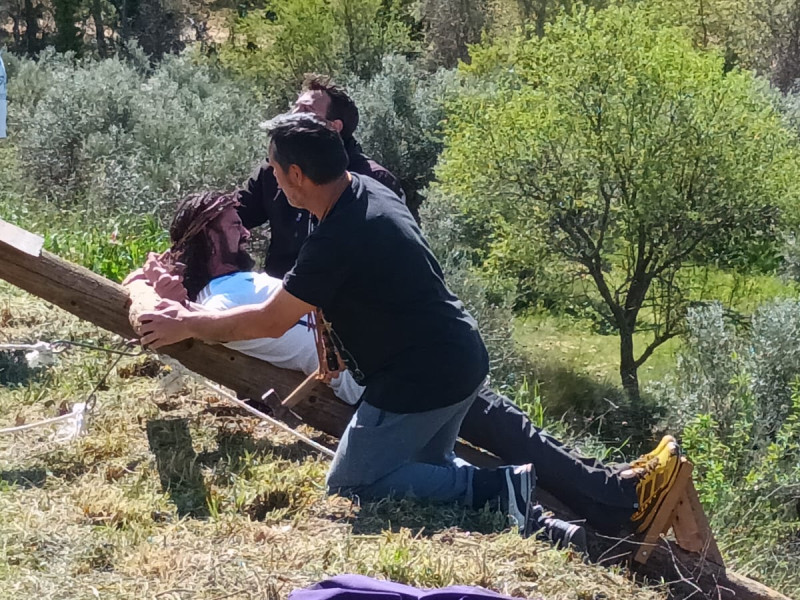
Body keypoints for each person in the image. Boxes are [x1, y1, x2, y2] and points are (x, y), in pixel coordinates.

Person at [135, 115, 680, 545]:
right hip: (454, 353)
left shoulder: (338, 237)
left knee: (353, 485)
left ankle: (506, 486)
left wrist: (187, 320)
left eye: (275, 172)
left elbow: (271, 318)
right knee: (427, 467)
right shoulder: (369, 193)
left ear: (297, 175)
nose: (272, 184)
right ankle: (567, 520)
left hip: (417, 379)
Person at [237, 74, 407, 279]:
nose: (293, 115)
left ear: (334, 127)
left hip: (345, 300)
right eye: (295, 107)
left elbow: (394, 254)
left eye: (307, 110)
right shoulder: (274, 170)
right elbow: (237, 213)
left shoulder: (374, 179)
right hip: (280, 291)